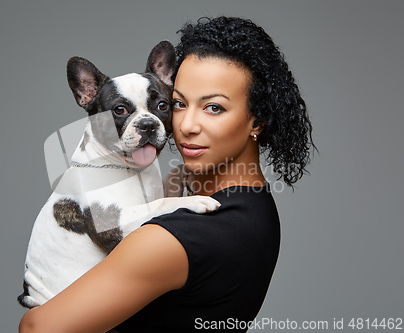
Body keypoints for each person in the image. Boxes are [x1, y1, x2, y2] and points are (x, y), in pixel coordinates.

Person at [19, 16, 315, 333]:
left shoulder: (175, 237)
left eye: (214, 107)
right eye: (178, 104)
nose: (186, 125)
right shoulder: (255, 212)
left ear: (258, 120)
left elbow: (37, 327)